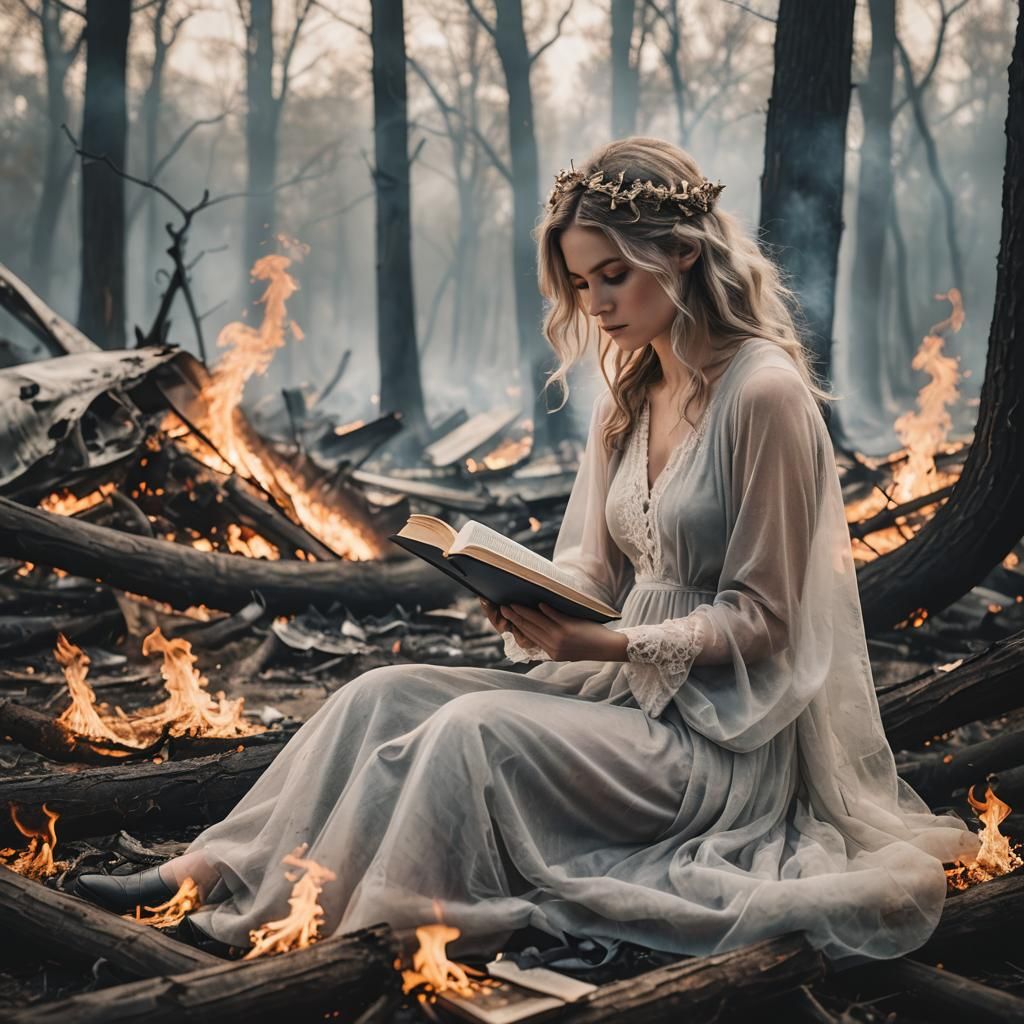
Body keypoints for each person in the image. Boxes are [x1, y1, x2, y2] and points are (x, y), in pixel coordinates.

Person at [77, 137, 980, 968]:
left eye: (614, 277)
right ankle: (206, 873)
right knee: (376, 694)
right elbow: (595, 571)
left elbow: (768, 619)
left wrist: (608, 644)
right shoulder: (632, 391)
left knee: (474, 731)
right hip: (611, 691)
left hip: (716, 742)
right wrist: (520, 592)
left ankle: (406, 930)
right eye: (582, 283)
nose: (595, 304)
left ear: (686, 255)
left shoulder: (765, 395)